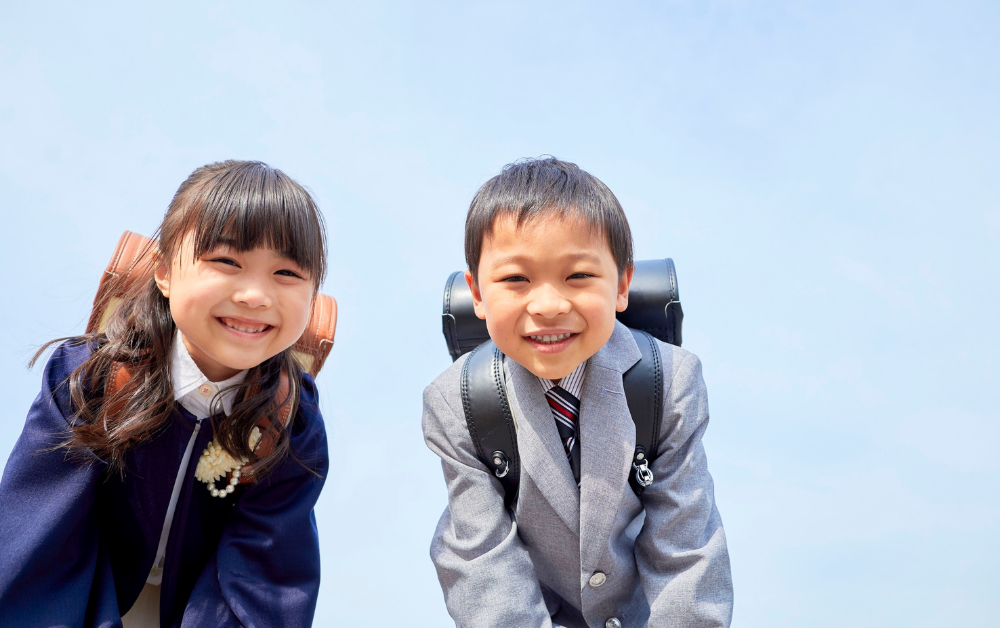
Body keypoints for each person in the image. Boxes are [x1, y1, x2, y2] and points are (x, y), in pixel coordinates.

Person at [0, 161, 330, 627]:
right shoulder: (88, 377)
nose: (256, 295)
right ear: (164, 272)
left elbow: (267, 577)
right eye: (227, 262)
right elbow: (37, 538)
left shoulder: (291, 422)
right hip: (83, 601)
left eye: (287, 274)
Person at [422, 157, 733, 628]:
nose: (548, 305)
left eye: (579, 276)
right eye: (515, 279)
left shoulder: (669, 383)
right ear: (478, 294)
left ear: (622, 283)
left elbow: (686, 553)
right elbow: (482, 565)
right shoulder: (458, 402)